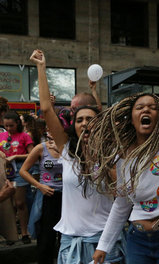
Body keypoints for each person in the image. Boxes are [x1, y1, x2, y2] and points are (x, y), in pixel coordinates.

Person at [90, 7, 159, 264]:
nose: (146, 109)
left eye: (152, 106)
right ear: (132, 118)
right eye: (140, 107)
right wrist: (104, 246)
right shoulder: (123, 156)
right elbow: (122, 204)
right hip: (137, 240)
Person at [30, 49, 124, 264]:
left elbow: (120, 192)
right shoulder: (67, 151)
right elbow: (46, 109)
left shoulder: (111, 153)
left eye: (89, 119)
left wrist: (102, 160)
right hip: (69, 241)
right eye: (79, 120)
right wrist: (41, 67)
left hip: (104, 240)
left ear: (98, 123)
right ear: (74, 125)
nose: (84, 123)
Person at [20, 131, 63, 264]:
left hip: (68, 198)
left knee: (65, 237)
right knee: (45, 238)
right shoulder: (41, 148)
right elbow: (23, 171)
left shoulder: (70, 148)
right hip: (47, 197)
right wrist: (40, 186)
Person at [0, 110, 34, 244]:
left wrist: (16, 156)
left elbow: (32, 154)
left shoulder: (24, 136)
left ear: (17, 124)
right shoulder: (2, 135)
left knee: (20, 203)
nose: (9, 129)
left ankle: (25, 232)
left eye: (11, 126)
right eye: (6, 125)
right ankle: (12, 233)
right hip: (5, 171)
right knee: (9, 203)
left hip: (20, 170)